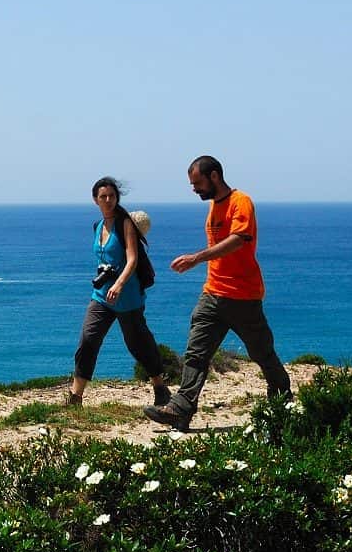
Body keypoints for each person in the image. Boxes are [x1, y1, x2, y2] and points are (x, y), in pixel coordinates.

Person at [143, 156, 291, 430]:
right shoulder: (213, 207)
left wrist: (197, 258)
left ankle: (283, 398)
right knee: (196, 352)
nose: (194, 189)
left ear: (213, 176)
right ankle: (181, 409)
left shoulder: (240, 202)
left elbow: (237, 240)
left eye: (197, 183)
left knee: (262, 353)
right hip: (213, 293)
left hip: (243, 295)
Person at [69, 177, 170, 408]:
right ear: (95, 199)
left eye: (112, 196)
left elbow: (132, 258)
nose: (107, 200)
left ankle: (160, 387)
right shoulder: (97, 226)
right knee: (88, 339)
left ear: (117, 198)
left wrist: (119, 284)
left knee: (138, 343)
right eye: (103, 196)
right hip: (102, 296)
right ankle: (76, 397)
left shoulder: (125, 224)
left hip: (128, 296)